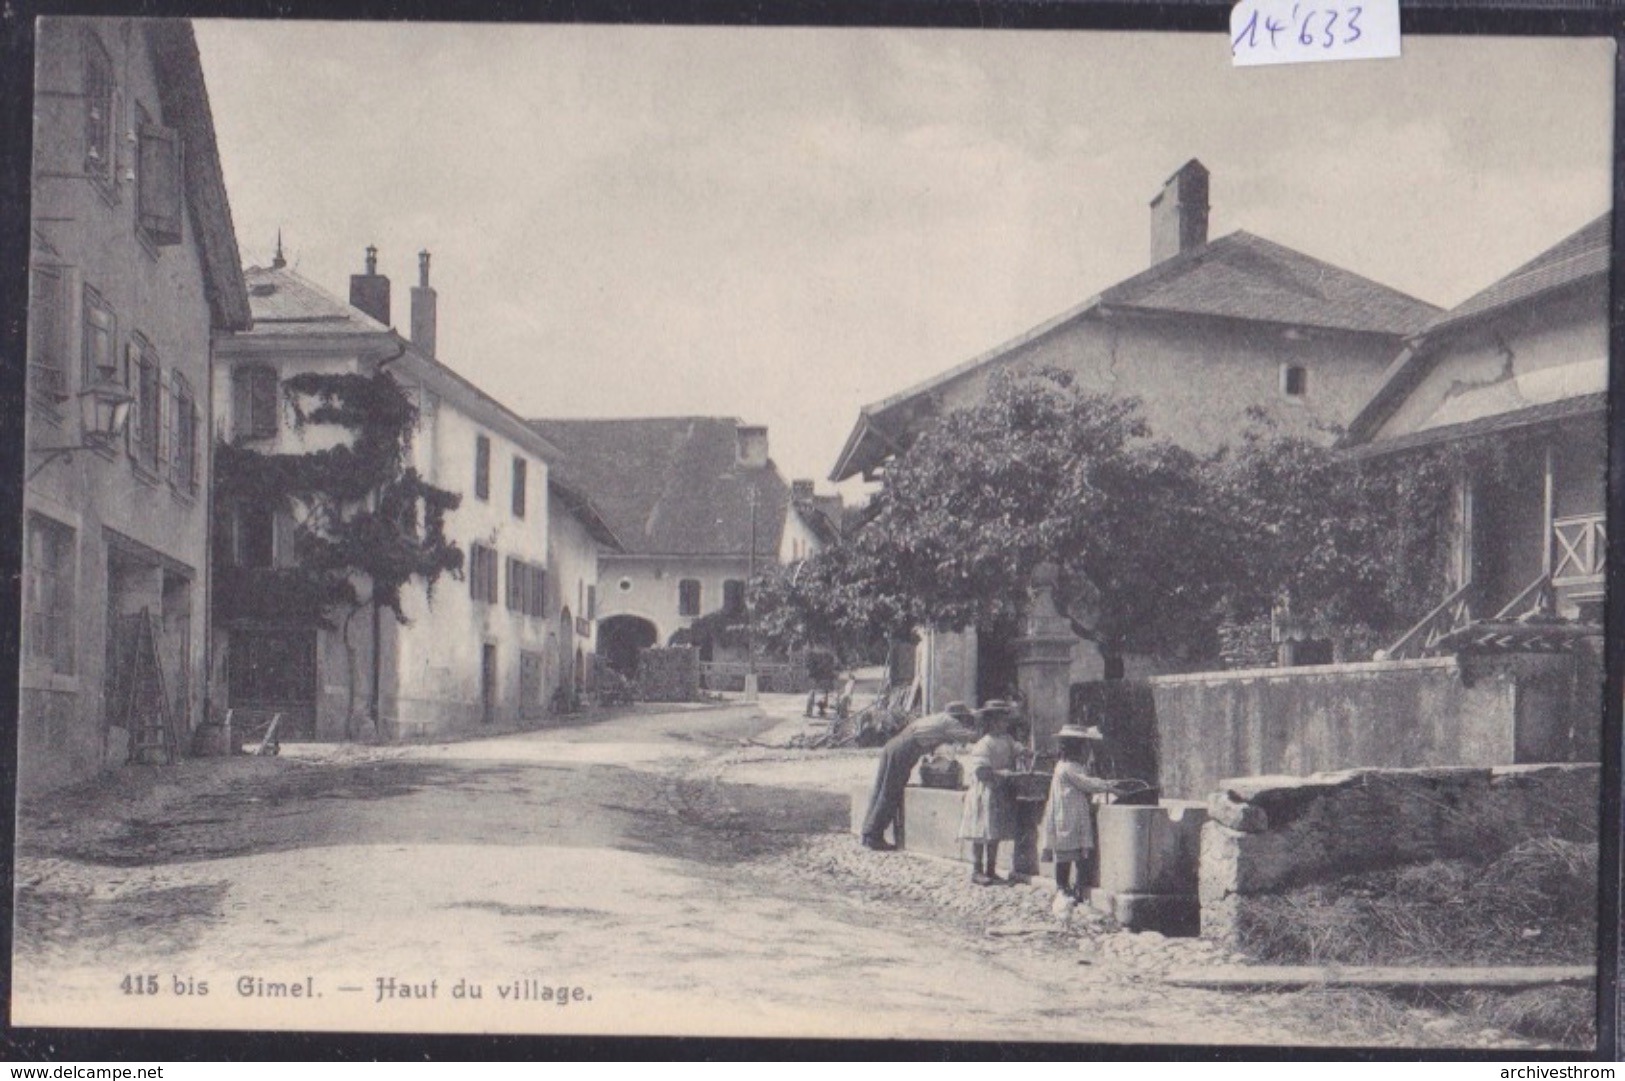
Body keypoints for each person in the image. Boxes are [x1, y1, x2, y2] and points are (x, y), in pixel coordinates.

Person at [860, 701, 979, 850]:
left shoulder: (938, 718)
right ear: (961, 717)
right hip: (905, 749)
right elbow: (971, 738)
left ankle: (867, 832)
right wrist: (987, 730)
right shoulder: (950, 722)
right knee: (890, 792)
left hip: (894, 745)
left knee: (880, 789)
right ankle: (874, 836)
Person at [1040, 724, 1121, 902]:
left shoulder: (1073, 766)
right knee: (1065, 852)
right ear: (1075, 749)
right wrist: (1108, 785)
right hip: (1067, 815)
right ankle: (1062, 887)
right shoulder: (1066, 768)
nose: (1087, 753)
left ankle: (1077, 888)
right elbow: (1086, 783)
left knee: (1077, 852)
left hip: (1075, 813)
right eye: (1084, 748)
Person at [957, 702, 1021, 885]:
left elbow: (1016, 748)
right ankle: (977, 870)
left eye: (1005, 720)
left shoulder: (1007, 739)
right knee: (981, 831)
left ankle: (991, 869)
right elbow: (981, 772)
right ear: (991, 722)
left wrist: (1025, 752)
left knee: (994, 832)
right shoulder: (983, 745)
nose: (1005, 723)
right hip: (984, 792)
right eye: (1001, 720)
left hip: (999, 792)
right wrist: (1002, 773)